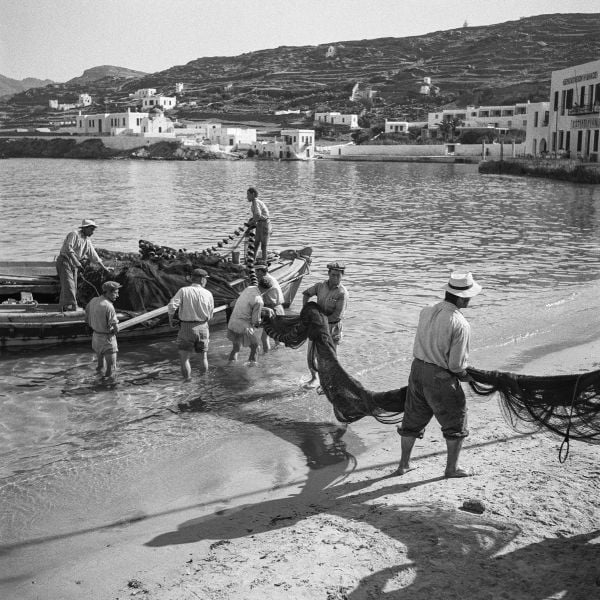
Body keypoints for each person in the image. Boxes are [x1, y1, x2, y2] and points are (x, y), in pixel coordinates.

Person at [396, 271, 482, 479]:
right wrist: (465, 376)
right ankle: (451, 469)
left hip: (417, 370)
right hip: (440, 377)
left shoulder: (426, 310)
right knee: (455, 420)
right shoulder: (460, 323)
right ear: (461, 297)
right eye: (469, 296)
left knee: (412, 418)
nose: (470, 299)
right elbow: (455, 364)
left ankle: (403, 465)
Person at [301, 261, 349, 387]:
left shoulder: (342, 293)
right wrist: (305, 309)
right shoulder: (320, 286)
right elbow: (306, 294)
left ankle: (330, 381)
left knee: (330, 356)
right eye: (333, 275)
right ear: (328, 274)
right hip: (317, 325)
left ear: (342, 276)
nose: (336, 278)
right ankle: (314, 378)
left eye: (338, 275)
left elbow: (337, 315)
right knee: (311, 354)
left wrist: (321, 323)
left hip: (333, 327)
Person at [167, 268, 214, 379]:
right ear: (202, 279)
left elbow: (172, 306)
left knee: (185, 359)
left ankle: (187, 382)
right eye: (205, 279)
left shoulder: (183, 290)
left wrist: (170, 320)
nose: (206, 281)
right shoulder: (208, 293)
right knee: (203, 358)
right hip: (203, 327)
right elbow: (211, 314)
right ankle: (203, 382)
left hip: (186, 327)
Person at [57, 219, 111, 311]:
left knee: (72, 285)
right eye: (91, 229)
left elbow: (94, 256)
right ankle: (73, 307)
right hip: (64, 261)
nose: (93, 232)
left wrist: (104, 267)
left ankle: (63, 307)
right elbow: (68, 248)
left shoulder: (87, 241)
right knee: (69, 285)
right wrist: (76, 262)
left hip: (74, 264)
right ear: (85, 228)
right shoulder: (74, 234)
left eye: (94, 230)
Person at [227, 276, 274, 364]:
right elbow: (255, 322)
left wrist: (265, 309)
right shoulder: (259, 301)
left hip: (232, 322)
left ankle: (230, 367)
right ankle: (251, 370)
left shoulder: (249, 288)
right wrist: (264, 324)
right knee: (256, 347)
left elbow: (248, 305)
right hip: (244, 327)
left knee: (236, 348)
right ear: (268, 289)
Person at [85, 280, 121, 380]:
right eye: (116, 293)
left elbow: (86, 315)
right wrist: (115, 330)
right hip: (107, 340)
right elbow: (116, 328)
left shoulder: (93, 300)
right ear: (109, 292)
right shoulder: (109, 306)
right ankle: (107, 390)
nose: (117, 296)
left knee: (100, 365)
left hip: (96, 337)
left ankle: (97, 382)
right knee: (111, 368)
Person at [254, 259, 284, 353]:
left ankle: (266, 358)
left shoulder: (266, 280)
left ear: (260, 271)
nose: (255, 274)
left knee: (264, 337)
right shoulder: (270, 278)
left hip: (272, 309)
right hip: (278, 309)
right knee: (277, 337)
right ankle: (277, 355)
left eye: (256, 272)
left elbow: (256, 295)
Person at [246, 187, 271, 260]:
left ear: (253, 194)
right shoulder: (254, 202)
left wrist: (251, 222)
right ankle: (252, 261)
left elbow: (257, 215)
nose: (247, 197)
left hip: (264, 224)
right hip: (260, 224)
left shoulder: (256, 202)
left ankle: (264, 264)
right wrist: (251, 220)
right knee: (256, 244)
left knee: (263, 246)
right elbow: (256, 216)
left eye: (248, 194)